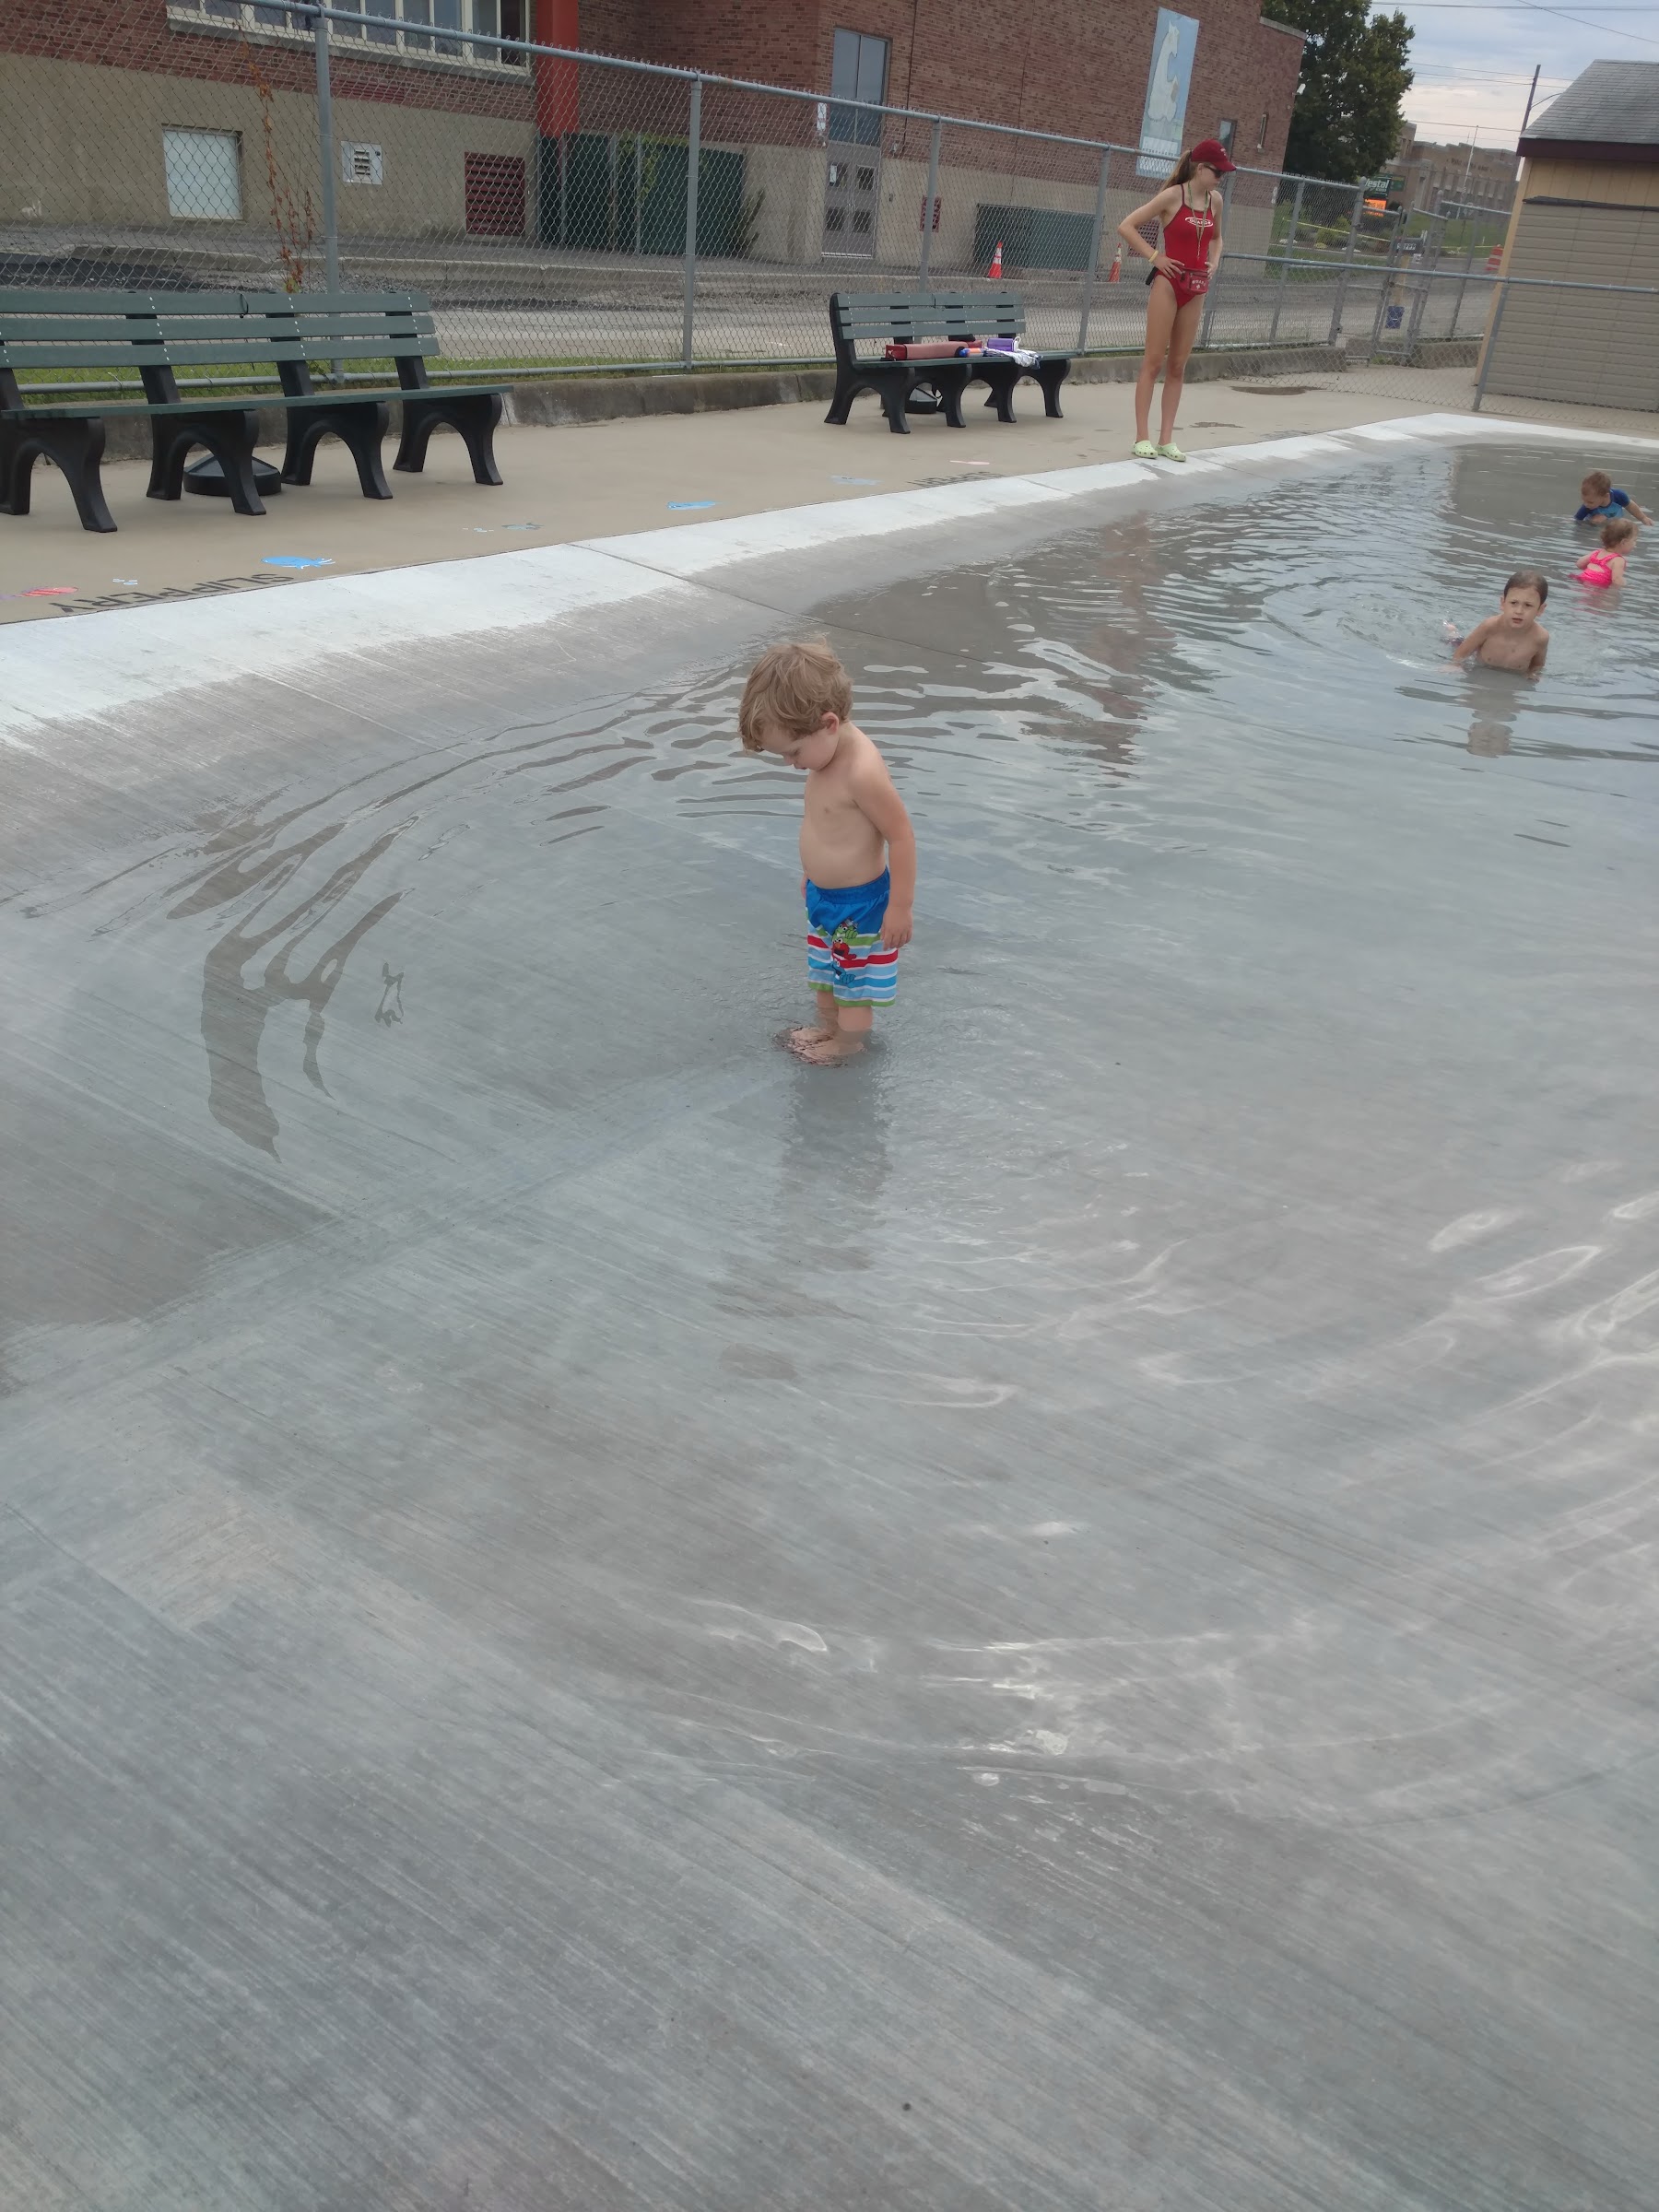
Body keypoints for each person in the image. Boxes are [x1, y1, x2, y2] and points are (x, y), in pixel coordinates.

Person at [738, 641, 916, 1065]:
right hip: (824, 897)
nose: (791, 763)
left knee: (852, 989)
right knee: (825, 978)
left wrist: (900, 908)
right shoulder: (824, 752)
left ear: (829, 723)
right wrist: (811, 870)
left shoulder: (861, 772)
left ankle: (847, 1045)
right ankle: (827, 1030)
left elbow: (901, 837)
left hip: (859, 907)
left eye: (793, 752)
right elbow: (824, 823)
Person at [1116, 136, 1233, 464]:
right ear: (1200, 168)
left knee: (1178, 366)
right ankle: (1142, 437)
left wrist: (1214, 261)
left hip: (1196, 288)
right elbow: (1127, 226)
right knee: (1153, 361)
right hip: (1168, 285)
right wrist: (1156, 257)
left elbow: (1217, 238)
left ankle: (1166, 438)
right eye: (1217, 172)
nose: (1221, 178)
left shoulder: (1215, 201)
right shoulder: (1172, 196)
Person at [1449, 571, 1549, 674]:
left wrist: (1533, 674)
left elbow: (1538, 665)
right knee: (1456, 642)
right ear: (1503, 603)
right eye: (1513, 603)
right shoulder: (1490, 626)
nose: (1519, 611)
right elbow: (1461, 654)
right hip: (1479, 663)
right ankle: (1452, 632)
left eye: (1528, 605)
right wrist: (1454, 665)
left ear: (1540, 609)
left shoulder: (1540, 638)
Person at [1577, 514, 1638, 590]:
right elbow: (1616, 580)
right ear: (1624, 542)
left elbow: (1579, 564)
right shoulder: (1618, 560)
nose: (1635, 544)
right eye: (1634, 540)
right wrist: (1626, 585)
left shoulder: (1597, 553)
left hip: (1582, 581)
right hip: (1597, 587)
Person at [1574, 471, 1652, 526]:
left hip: (1616, 526)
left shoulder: (1619, 496)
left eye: (1590, 502)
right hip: (1597, 528)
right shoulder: (1587, 507)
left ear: (1606, 496)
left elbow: (1630, 506)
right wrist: (1591, 522)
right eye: (1584, 500)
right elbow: (1577, 522)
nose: (1586, 504)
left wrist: (1643, 518)